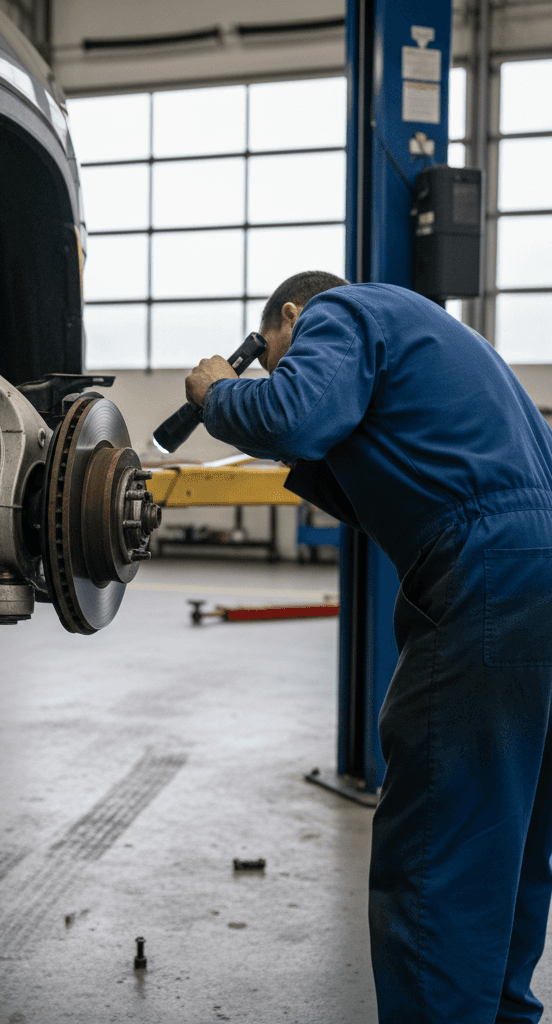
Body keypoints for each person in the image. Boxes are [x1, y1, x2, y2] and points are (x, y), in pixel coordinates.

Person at [186, 271, 552, 1024]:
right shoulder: (445, 343)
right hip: (539, 564)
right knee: (510, 835)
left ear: (288, 317)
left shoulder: (341, 310)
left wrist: (217, 393)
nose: (287, 365)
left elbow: (294, 415)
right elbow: (362, 463)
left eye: (279, 354)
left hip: (494, 570)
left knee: (439, 844)